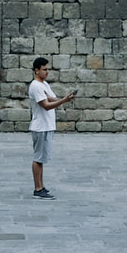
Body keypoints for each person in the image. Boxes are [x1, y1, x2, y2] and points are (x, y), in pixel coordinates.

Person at [27, 57, 77, 198]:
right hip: (40, 127)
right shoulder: (35, 86)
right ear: (37, 70)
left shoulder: (44, 84)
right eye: (44, 69)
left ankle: (41, 186)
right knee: (38, 158)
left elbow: (51, 98)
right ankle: (37, 189)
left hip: (46, 126)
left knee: (42, 158)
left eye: (48, 69)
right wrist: (64, 101)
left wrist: (66, 98)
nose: (47, 72)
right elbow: (46, 106)